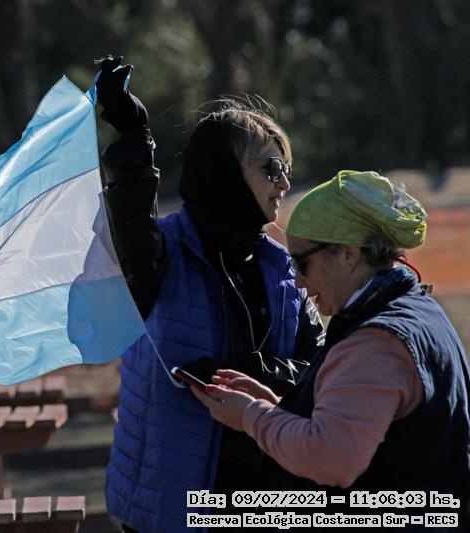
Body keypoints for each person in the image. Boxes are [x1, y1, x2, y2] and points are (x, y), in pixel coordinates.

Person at [95, 56, 324, 533]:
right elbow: (129, 224)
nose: (284, 183)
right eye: (271, 167)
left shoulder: (281, 265)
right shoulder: (161, 255)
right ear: (225, 172)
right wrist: (133, 140)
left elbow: (320, 365)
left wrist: (260, 376)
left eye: (286, 168)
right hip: (174, 502)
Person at [195, 170, 470, 531]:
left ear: (348, 254)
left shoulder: (375, 342)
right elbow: (361, 426)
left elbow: (330, 459)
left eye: (301, 262)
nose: (297, 280)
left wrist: (252, 416)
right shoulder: (414, 309)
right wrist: (279, 408)